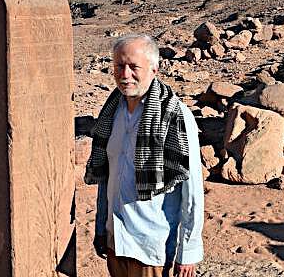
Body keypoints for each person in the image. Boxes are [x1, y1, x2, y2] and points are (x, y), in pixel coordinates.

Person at [84, 34, 204, 277]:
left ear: (154, 69)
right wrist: (101, 228)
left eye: (133, 67)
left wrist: (188, 251)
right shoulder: (110, 113)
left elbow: (192, 191)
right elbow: (107, 177)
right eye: (119, 66)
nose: (125, 74)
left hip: (151, 246)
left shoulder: (175, 115)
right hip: (116, 239)